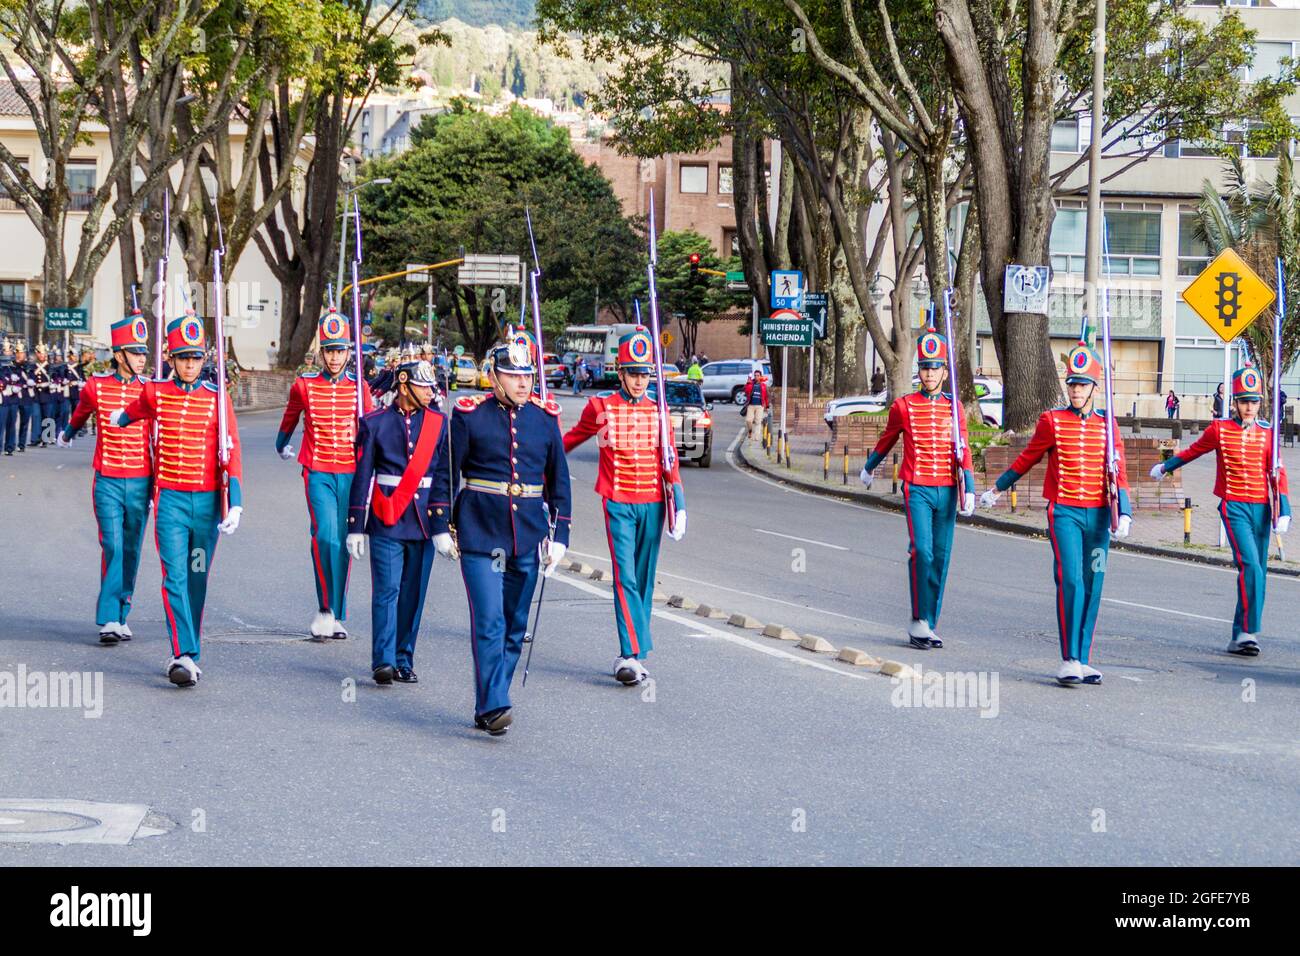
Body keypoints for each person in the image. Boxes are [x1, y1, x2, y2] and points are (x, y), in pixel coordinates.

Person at [980, 340, 1132, 685]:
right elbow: (1027, 458)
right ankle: (1068, 658)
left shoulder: (1109, 425)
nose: (1076, 390)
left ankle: (1083, 656)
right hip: (1064, 513)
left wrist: (1125, 512)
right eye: (1073, 384)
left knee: (1095, 581)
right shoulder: (1053, 421)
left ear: (1095, 388)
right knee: (1071, 579)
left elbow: (1118, 469)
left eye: (1083, 384)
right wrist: (997, 488)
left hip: (1099, 517)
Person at [111, 309, 244, 687]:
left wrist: (235, 501)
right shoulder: (155, 392)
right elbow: (134, 411)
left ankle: (192, 647)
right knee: (174, 575)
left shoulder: (218, 398)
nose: (190, 364)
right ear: (170, 357)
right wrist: (119, 418)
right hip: (170, 501)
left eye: (196, 357)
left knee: (196, 575)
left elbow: (231, 448)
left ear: (204, 359)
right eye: (183, 357)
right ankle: (182, 653)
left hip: (205, 505)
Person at [451, 331, 571, 734]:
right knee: (489, 621)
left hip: (526, 533)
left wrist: (560, 535)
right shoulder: (468, 415)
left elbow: (559, 482)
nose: (523, 383)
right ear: (494, 377)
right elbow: (446, 473)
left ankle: (490, 700)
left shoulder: (545, 418)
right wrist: (440, 524)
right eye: (513, 375)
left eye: (528, 376)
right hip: (480, 532)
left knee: (515, 625)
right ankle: (495, 702)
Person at [564, 327, 686, 686]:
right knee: (625, 577)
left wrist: (678, 503)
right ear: (620, 372)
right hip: (618, 500)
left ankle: (633, 654)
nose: (639, 380)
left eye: (645, 373)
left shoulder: (659, 411)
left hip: (652, 503)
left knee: (645, 578)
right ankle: (629, 653)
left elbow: (670, 461)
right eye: (633, 373)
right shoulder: (601, 407)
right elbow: (571, 439)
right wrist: (541, 455)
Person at [1150, 364, 1289, 656]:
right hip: (1234, 505)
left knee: (1258, 571)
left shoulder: (1267, 433)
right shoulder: (1220, 430)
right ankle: (1250, 631)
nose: (1249, 407)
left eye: (1254, 402)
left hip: (1262, 508)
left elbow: (1278, 472)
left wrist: (1284, 510)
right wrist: (1166, 466)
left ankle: (1240, 635)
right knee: (1250, 565)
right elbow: (1193, 451)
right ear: (1234, 403)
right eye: (1244, 401)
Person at [861, 324, 976, 649]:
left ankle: (929, 621)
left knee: (941, 557)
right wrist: (869, 468)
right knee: (921, 551)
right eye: (924, 368)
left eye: (934, 368)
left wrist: (968, 487)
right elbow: (887, 440)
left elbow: (963, 449)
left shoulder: (955, 408)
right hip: (918, 487)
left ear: (943, 371)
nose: (929, 374)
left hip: (948, 489)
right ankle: (919, 618)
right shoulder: (904, 406)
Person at [346, 359, 452, 687]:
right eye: (422, 386)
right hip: (387, 515)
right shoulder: (374, 423)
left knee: (413, 594)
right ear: (403, 386)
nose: (429, 392)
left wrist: (444, 526)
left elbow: (447, 477)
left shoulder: (440, 423)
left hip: (424, 520)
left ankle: (404, 658)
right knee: (387, 590)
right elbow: (363, 476)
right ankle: (384, 660)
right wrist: (355, 525)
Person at [277, 306, 375, 640]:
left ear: (350, 352)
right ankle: (324, 607)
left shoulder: (360, 388)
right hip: (317, 468)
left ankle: (336, 611)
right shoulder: (304, 385)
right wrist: (281, 444)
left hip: (350, 472)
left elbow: (371, 432)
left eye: (341, 351)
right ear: (321, 352)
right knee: (325, 536)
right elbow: (291, 416)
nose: (335, 358)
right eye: (330, 351)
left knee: (344, 542)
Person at [57, 309, 153, 643]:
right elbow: (81, 414)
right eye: (135, 352)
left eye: (143, 352)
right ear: (118, 355)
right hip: (109, 479)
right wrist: (67, 433)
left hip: (142, 480)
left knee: (131, 549)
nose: (141, 359)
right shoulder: (96, 386)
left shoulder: (151, 390)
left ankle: (123, 609)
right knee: (112, 544)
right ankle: (109, 617)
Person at [11, 342, 37, 451]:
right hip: (14, 396)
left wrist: (31, 381)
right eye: (17, 352)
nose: (19, 355)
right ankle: (11, 444)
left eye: (21, 353)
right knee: (12, 422)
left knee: (24, 422)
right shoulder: (11, 365)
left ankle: (21, 444)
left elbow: (34, 378)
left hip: (26, 397)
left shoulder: (30, 366)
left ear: (25, 354)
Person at [32, 343, 57, 446]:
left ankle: (45, 439)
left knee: (47, 417)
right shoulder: (33, 366)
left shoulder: (50, 366)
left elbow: (56, 378)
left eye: (43, 353)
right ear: (37, 354)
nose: (41, 355)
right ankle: (35, 439)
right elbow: (30, 376)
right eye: (39, 353)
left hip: (47, 394)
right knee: (36, 416)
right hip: (36, 394)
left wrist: (54, 383)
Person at [0, 343, 19, 455]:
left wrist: (17, 384)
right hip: (4, 396)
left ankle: (10, 447)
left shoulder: (15, 366)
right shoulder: (3, 365)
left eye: (9, 351)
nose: (7, 353)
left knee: (11, 423)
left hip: (12, 397)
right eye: (5, 351)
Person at [743, 370, 769, 441]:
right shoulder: (751, 383)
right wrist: (748, 382)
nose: (756, 377)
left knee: (758, 421)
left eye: (758, 375)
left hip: (760, 406)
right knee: (748, 420)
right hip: (751, 405)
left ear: (760, 376)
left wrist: (767, 406)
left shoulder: (763, 385)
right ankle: (750, 430)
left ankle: (756, 436)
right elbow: (746, 391)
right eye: (755, 375)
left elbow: (766, 396)